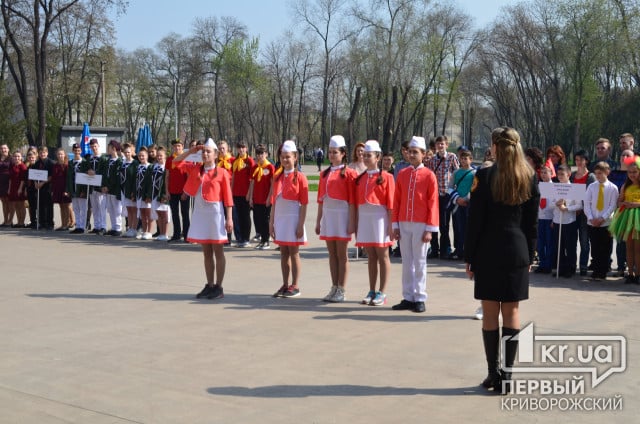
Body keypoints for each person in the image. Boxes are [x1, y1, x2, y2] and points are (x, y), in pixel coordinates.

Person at [464, 126, 539, 394]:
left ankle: (492, 372)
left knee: (490, 312)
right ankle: (507, 375)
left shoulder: (483, 176)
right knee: (512, 311)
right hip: (516, 251)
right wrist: (530, 255)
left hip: (488, 251)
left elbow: (475, 222)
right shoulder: (529, 177)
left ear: (495, 147)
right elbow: (532, 224)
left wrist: (469, 257)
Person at [174, 138, 233, 299]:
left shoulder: (222, 172)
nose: (205, 154)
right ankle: (210, 284)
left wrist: (229, 218)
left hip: (216, 213)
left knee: (218, 251)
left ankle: (219, 287)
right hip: (200, 213)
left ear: (215, 155)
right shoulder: (196, 170)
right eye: (203, 152)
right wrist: (191, 151)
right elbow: (176, 162)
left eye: (208, 152)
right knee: (206, 252)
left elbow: (228, 197)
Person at [391, 136, 439, 313]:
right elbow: (396, 201)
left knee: (419, 261)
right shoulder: (403, 174)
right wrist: (395, 225)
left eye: (415, 152)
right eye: (409, 151)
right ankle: (408, 296)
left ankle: (419, 297)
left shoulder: (429, 175)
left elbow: (433, 202)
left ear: (424, 154)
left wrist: (430, 228)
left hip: (421, 224)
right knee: (407, 261)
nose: (411, 154)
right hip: (404, 222)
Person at [315, 135, 357, 303]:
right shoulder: (324, 174)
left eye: (335, 152)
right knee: (332, 254)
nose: (332, 155)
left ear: (343, 153)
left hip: (342, 215)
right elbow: (320, 200)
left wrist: (352, 221)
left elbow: (353, 201)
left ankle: (342, 288)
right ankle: (334, 287)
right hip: (328, 216)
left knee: (342, 254)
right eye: (330, 152)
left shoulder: (349, 173)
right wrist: (318, 221)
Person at [355, 140, 395, 306]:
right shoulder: (360, 178)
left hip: (380, 219)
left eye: (368, 155)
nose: (365, 158)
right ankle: (372, 290)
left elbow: (391, 204)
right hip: (365, 218)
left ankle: (382, 292)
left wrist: (392, 225)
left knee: (382, 255)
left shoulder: (387, 177)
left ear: (377, 157)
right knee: (370, 256)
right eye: (363, 155)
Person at [270, 140, 308, 298]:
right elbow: (274, 202)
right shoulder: (277, 176)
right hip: (280, 217)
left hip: (293, 217)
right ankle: (285, 284)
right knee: (283, 253)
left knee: (294, 253)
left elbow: (304, 203)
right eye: (282, 157)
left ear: (295, 158)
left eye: (288, 157)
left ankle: (295, 285)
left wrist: (300, 224)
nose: (285, 160)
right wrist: (271, 222)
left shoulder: (300, 177)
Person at [425, 135, 459, 259]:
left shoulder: (452, 157)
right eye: (438, 144)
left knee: (444, 224)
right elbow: (428, 176)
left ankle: (446, 249)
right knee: (433, 222)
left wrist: (454, 191)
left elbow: (457, 173)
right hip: (434, 195)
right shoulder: (432, 160)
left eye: (442, 144)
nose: (440, 146)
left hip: (446, 194)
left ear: (446, 145)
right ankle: (434, 249)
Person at [584, 162, 618, 280]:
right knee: (595, 247)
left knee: (605, 247)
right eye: (596, 173)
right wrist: (591, 218)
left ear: (607, 172)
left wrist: (602, 218)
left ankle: (602, 271)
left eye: (600, 173)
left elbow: (612, 205)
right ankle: (596, 270)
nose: (598, 176)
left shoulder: (613, 188)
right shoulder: (591, 186)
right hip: (592, 222)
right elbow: (587, 203)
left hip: (606, 223)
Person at [609, 155, 640, 284]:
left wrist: (635, 204)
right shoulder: (625, 186)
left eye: (635, 172)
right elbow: (619, 201)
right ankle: (630, 274)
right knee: (629, 248)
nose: (632, 175)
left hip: (638, 218)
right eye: (629, 172)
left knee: (638, 248)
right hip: (626, 218)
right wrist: (623, 203)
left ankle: (638, 273)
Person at [552, 165, 581, 278]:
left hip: (569, 221)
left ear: (568, 175)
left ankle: (571, 268)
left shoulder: (575, 188)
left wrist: (567, 208)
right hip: (557, 221)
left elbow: (579, 205)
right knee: (559, 246)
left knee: (570, 246)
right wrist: (556, 203)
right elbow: (549, 204)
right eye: (558, 175)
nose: (559, 177)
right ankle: (561, 268)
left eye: (562, 175)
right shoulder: (554, 187)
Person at [570, 150, 596, 276]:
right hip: (572, 212)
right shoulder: (572, 175)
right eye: (576, 160)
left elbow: (592, 197)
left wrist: (582, 208)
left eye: (581, 159)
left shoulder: (591, 177)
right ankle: (571, 265)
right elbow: (568, 192)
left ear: (586, 161)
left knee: (584, 242)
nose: (578, 162)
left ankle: (583, 266)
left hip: (585, 215)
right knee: (571, 241)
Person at [448, 149, 475, 260]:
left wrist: (467, 198)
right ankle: (459, 251)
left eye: (466, 158)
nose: (464, 161)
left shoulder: (475, 173)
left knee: (470, 228)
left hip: (470, 204)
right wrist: (457, 198)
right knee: (459, 227)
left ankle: (469, 251)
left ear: (471, 160)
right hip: (458, 204)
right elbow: (450, 187)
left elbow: (475, 187)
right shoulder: (456, 173)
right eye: (462, 158)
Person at [247, 144, 275, 250]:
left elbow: (272, 184)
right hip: (256, 198)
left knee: (265, 220)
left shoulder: (270, 167)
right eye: (258, 154)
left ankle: (266, 240)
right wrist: (250, 197)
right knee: (258, 220)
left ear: (266, 154)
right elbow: (252, 183)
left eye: (262, 154)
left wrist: (269, 198)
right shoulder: (255, 167)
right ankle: (261, 240)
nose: (259, 156)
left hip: (266, 199)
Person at [231, 140, 255, 247]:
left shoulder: (249, 161)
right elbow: (234, 177)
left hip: (245, 193)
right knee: (239, 216)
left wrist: (249, 194)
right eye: (239, 148)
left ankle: (246, 238)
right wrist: (231, 192)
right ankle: (240, 239)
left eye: (243, 147)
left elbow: (252, 179)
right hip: (236, 193)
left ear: (246, 149)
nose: (241, 150)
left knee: (245, 216)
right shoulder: (235, 161)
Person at [165, 139, 190, 242]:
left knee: (185, 213)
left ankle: (187, 235)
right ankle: (176, 234)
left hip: (184, 191)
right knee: (174, 213)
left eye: (179, 146)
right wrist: (167, 191)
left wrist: (186, 191)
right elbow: (167, 176)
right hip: (172, 191)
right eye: (175, 146)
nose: (177, 148)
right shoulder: (170, 159)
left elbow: (189, 177)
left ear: (182, 147)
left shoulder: (187, 159)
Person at [534, 165, 555, 274]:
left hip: (549, 218)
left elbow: (556, 205)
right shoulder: (538, 186)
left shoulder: (555, 187)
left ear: (551, 174)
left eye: (546, 172)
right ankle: (542, 264)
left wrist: (554, 220)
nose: (543, 175)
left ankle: (548, 265)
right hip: (540, 218)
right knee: (540, 243)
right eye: (541, 173)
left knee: (549, 242)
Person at [100, 140, 123, 236]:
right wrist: (104, 186)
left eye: (108, 148)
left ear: (113, 149)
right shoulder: (108, 160)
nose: (107, 150)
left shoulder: (119, 161)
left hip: (114, 189)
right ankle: (113, 227)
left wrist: (108, 187)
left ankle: (118, 227)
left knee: (117, 209)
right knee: (110, 208)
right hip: (107, 189)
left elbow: (115, 177)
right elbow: (105, 174)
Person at [86, 139, 107, 235]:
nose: (94, 148)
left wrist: (95, 173)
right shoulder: (89, 158)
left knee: (101, 207)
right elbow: (86, 169)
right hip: (91, 186)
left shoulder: (103, 158)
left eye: (95, 146)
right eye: (92, 146)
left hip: (100, 186)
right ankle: (97, 226)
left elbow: (104, 171)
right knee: (94, 208)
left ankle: (103, 226)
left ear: (98, 146)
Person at [149, 147, 170, 241]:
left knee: (164, 213)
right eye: (158, 156)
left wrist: (165, 193)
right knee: (159, 213)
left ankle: (165, 234)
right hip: (155, 192)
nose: (159, 157)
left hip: (163, 193)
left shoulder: (167, 166)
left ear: (165, 156)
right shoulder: (155, 166)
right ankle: (161, 233)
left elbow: (168, 180)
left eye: (161, 155)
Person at [52, 148, 74, 231]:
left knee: (67, 206)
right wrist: (53, 190)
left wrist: (67, 190)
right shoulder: (55, 165)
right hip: (57, 188)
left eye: (61, 154)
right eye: (58, 154)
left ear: (64, 155)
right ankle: (63, 224)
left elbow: (69, 179)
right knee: (61, 206)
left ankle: (67, 223)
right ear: (56, 155)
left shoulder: (67, 165)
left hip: (65, 188)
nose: (60, 155)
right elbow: (53, 178)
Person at [119, 143, 139, 238]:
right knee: (128, 210)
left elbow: (136, 178)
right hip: (124, 190)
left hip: (132, 190)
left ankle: (134, 229)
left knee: (134, 210)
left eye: (128, 152)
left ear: (132, 152)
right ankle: (130, 228)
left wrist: (133, 192)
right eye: (125, 152)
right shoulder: (123, 163)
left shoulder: (135, 163)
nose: (127, 154)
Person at [67, 144, 88, 234]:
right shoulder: (70, 163)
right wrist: (68, 190)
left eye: (78, 150)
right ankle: (78, 225)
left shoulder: (85, 162)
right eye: (75, 150)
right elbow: (68, 177)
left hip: (81, 188)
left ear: (81, 151)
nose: (77, 152)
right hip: (73, 188)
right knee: (76, 208)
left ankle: (82, 227)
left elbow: (87, 177)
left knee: (83, 208)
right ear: (73, 151)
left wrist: (84, 190)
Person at [33, 146, 55, 230]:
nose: (42, 154)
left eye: (44, 152)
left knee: (48, 206)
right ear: (38, 153)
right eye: (41, 152)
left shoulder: (51, 163)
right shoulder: (36, 163)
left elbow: (51, 176)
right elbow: (33, 174)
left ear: (47, 153)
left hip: (48, 187)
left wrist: (42, 183)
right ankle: (41, 222)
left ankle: (49, 223)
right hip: (39, 188)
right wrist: (35, 183)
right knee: (40, 205)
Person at [134, 147, 153, 240]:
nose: (141, 157)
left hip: (146, 194)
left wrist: (149, 195)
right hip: (139, 193)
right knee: (142, 214)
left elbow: (150, 182)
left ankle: (149, 231)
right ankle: (144, 231)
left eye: (143, 155)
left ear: (147, 156)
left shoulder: (150, 167)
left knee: (148, 214)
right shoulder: (138, 167)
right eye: (140, 156)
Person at [7, 150, 27, 227]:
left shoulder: (22, 166)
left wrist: (20, 189)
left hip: (20, 187)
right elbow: (10, 179)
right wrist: (9, 189)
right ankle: (19, 222)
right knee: (16, 205)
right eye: (15, 156)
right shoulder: (12, 166)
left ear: (21, 157)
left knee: (21, 205)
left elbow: (23, 179)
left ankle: (22, 222)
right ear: (13, 157)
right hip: (13, 187)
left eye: (18, 156)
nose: (17, 158)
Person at [24, 148, 38, 228]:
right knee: (31, 207)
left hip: (37, 189)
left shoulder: (38, 165)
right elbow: (25, 179)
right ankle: (33, 221)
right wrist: (25, 189)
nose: (31, 158)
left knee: (38, 206)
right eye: (29, 157)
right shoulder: (27, 166)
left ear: (35, 157)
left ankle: (39, 221)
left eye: (32, 157)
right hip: (29, 189)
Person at [0, 143, 10, 226]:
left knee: (9, 202)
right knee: (3, 202)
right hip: (0, 183)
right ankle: (5, 220)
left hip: (9, 182)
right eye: (2, 148)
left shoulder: (11, 158)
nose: (4, 150)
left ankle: (9, 221)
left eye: (5, 148)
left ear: (8, 149)